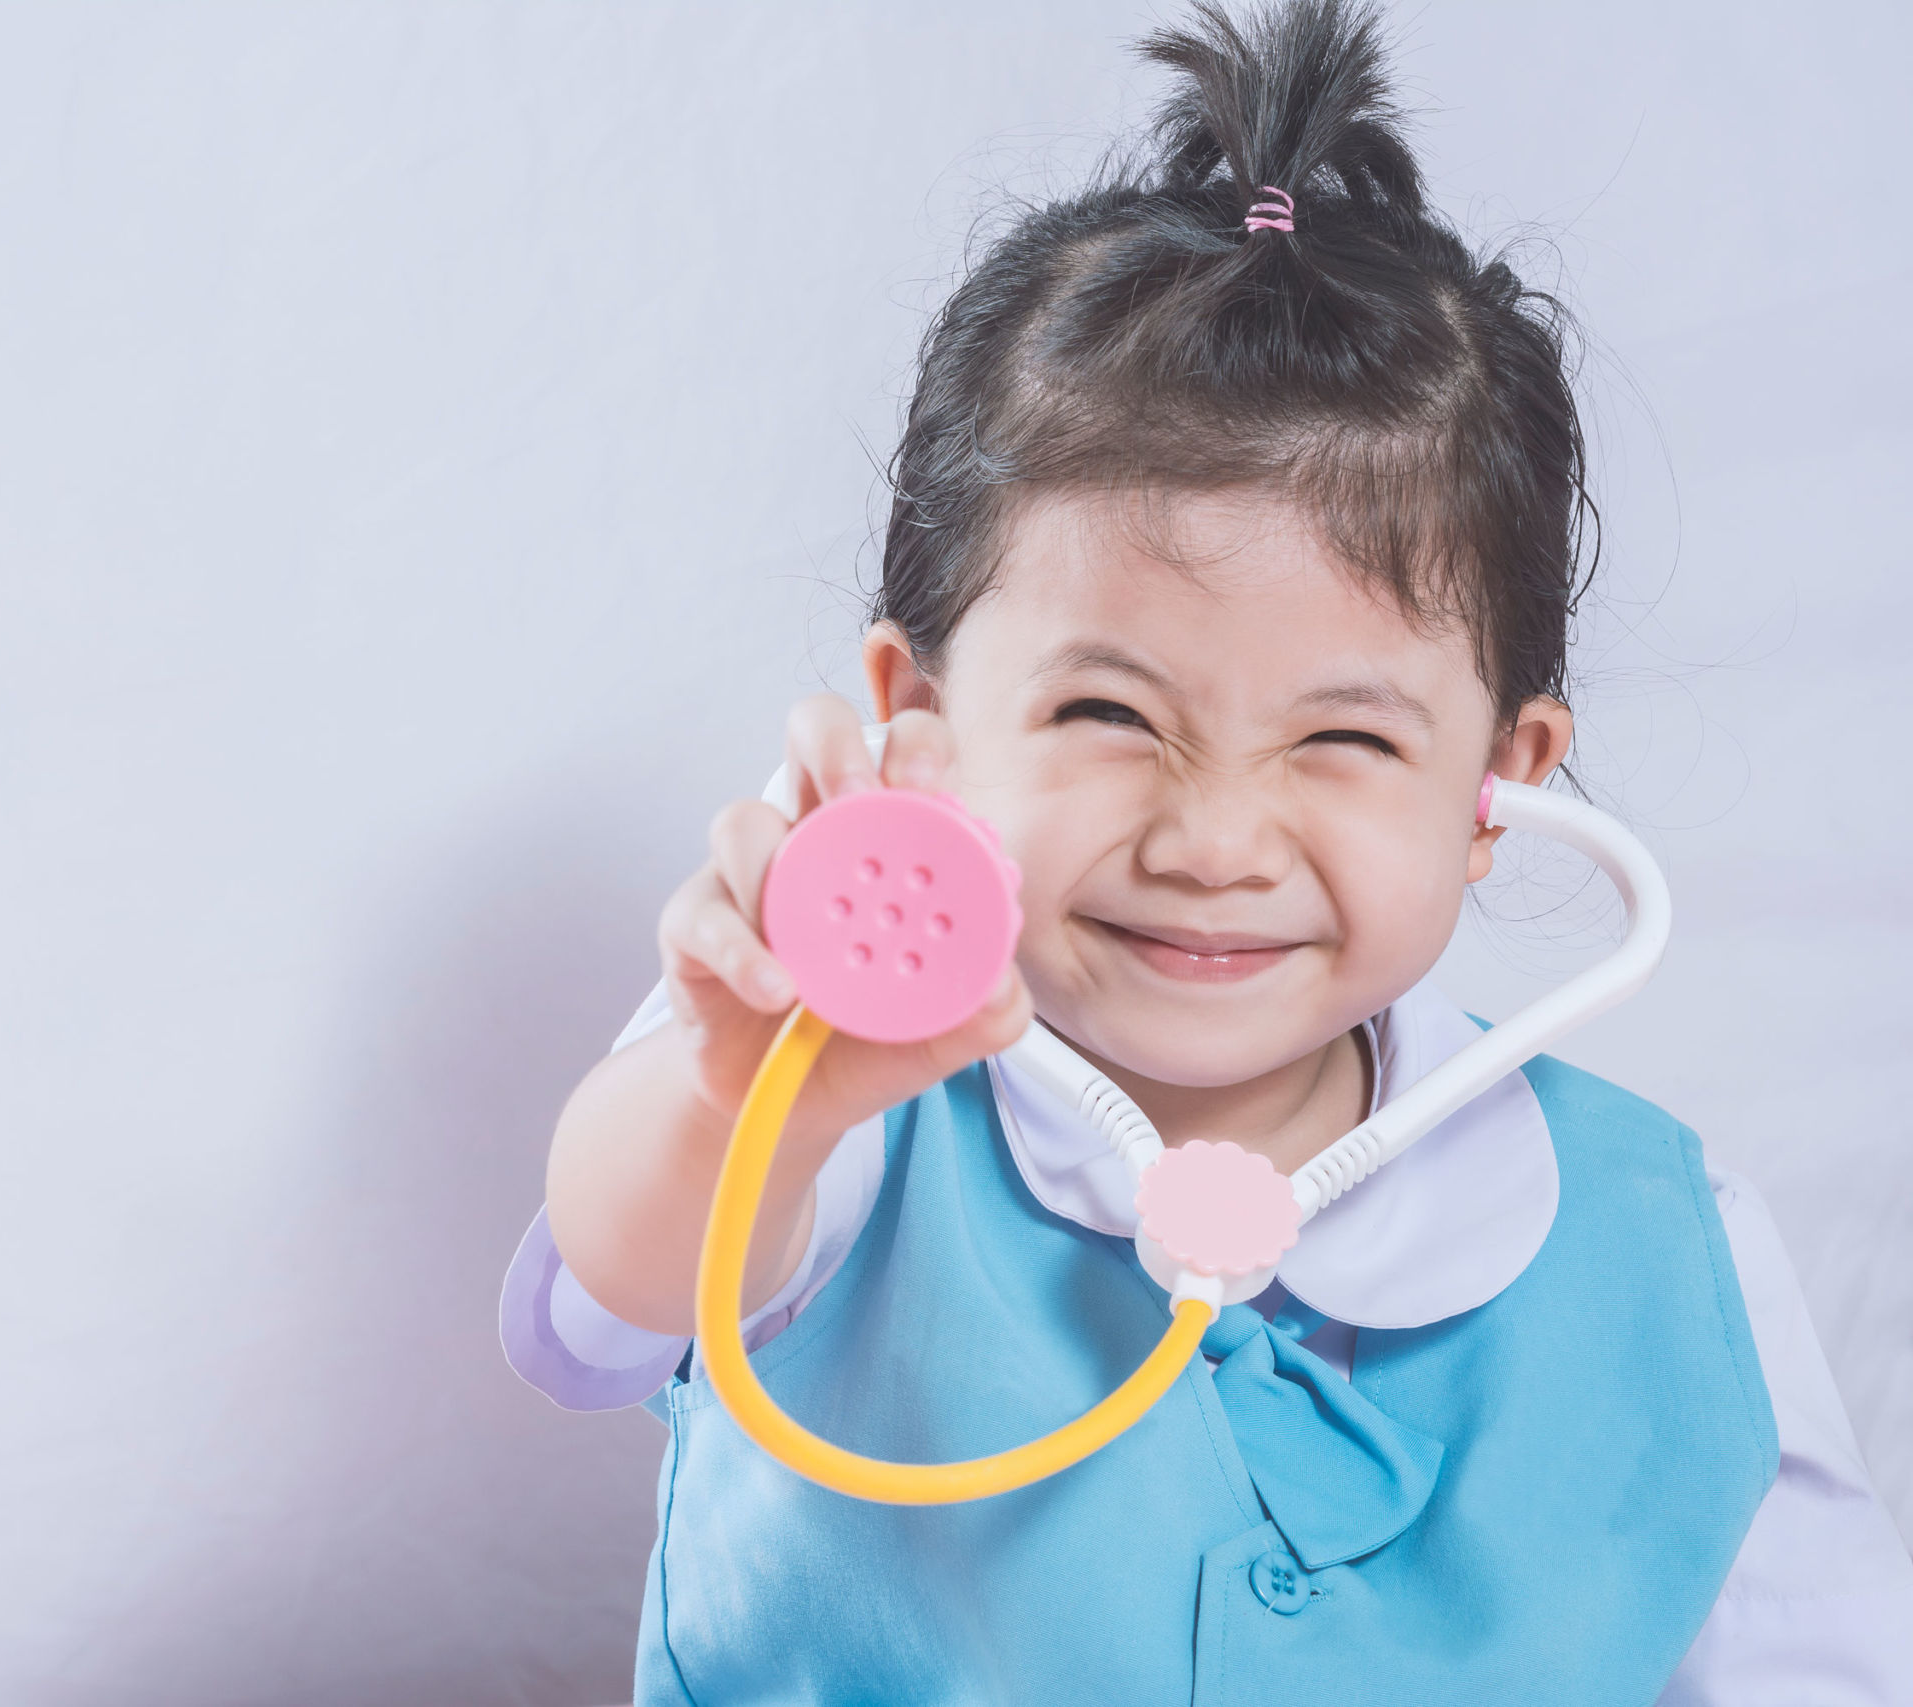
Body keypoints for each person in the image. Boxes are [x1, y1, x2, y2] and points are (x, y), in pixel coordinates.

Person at [500, 2, 1913, 1700]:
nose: (1215, 839)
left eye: (1345, 739)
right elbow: (615, 1295)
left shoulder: (1671, 1245)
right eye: (1108, 715)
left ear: (1503, 781)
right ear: (917, 719)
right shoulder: (842, 1102)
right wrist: (748, 1102)